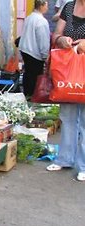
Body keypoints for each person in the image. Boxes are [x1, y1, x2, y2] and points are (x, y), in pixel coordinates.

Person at [47, 0, 85, 181]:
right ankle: (65, 159)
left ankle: (84, 165)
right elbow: (56, 34)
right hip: (68, 74)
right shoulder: (69, 7)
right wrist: (60, 39)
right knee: (68, 118)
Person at [19, 0, 50, 97]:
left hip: (25, 49)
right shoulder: (41, 21)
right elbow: (43, 40)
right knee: (35, 77)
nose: (47, 8)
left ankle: (27, 95)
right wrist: (45, 56)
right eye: (46, 5)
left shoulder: (29, 17)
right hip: (35, 53)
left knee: (28, 74)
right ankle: (33, 96)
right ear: (42, 6)